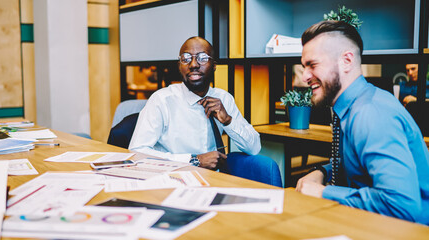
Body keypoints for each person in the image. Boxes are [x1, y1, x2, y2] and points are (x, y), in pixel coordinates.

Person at [295, 20, 429, 224]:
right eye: (304, 66)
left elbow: (401, 205)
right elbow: (357, 161)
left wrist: (325, 193)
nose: (305, 76)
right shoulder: (354, 105)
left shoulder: (370, 113)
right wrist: (322, 171)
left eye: (313, 65)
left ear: (346, 61)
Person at [129, 36, 281, 187]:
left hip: (213, 182)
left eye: (202, 58)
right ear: (179, 65)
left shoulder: (224, 99)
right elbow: (137, 152)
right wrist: (194, 160)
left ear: (214, 65)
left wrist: (228, 121)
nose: (193, 64)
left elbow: (254, 147)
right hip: (172, 183)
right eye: (186, 58)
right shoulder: (162, 100)